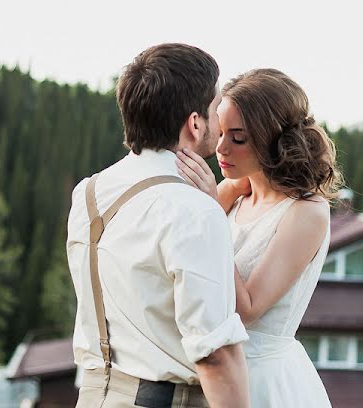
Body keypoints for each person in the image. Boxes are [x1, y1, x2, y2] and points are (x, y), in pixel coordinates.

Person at [67, 43, 250, 408]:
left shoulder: (88, 193)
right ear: (195, 123)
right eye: (215, 110)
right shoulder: (194, 209)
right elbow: (214, 354)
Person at [176, 68, 341, 408]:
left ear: (273, 140)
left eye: (238, 138)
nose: (221, 148)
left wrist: (210, 208)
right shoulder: (235, 193)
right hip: (212, 377)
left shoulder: (307, 211)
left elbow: (247, 309)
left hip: (264, 384)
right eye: (220, 132)